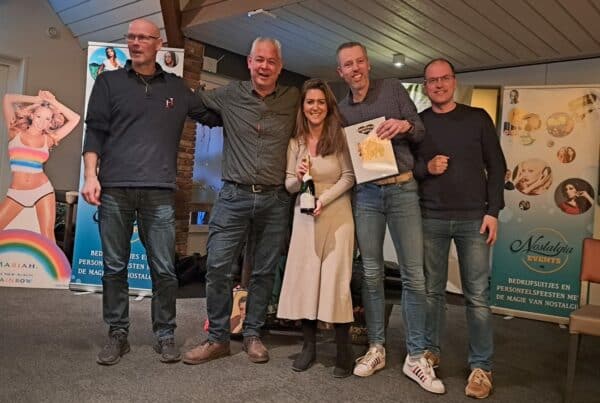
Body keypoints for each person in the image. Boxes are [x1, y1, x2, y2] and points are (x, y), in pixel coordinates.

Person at [81, 18, 221, 366]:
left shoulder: (177, 88)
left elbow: (214, 115)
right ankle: (118, 333)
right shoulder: (109, 82)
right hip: (115, 189)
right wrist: (89, 176)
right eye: (131, 37)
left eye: (144, 37)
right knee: (114, 267)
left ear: (158, 44)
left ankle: (165, 334)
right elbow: (94, 132)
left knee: (164, 269)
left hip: (159, 193)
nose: (136, 42)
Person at [335, 41, 444, 394]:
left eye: (360, 61)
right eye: (348, 65)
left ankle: (416, 355)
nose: (355, 69)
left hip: (402, 189)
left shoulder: (393, 89)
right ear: (341, 72)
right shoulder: (341, 110)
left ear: (368, 64)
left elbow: (420, 129)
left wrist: (404, 125)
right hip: (367, 194)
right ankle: (376, 347)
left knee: (414, 275)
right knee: (370, 273)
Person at [182, 37, 299, 365]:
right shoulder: (230, 94)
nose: (264, 66)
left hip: (275, 200)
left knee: (263, 271)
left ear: (280, 67)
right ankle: (218, 338)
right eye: (259, 60)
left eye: (271, 61)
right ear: (249, 62)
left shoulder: (292, 98)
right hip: (233, 195)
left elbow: (322, 116)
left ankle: (252, 334)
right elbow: (193, 102)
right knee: (217, 266)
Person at [415, 58, 507, 399]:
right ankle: (429, 352)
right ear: (425, 86)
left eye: (444, 78)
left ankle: (481, 367)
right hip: (431, 218)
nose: (438, 85)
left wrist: (493, 211)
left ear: (454, 81)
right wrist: (427, 167)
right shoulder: (420, 124)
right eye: (432, 80)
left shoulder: (477, 118)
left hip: (474, 219)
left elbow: (497, 166)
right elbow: (409, 168)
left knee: (478, 297)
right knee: (431, 292)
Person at [276, 78, 355, 377]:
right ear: (303, 106)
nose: (315, 107)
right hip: (305, 218)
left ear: (328, 106)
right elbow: (288, 185)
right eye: (310, 102)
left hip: (337, 216)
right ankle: (308, 347)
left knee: (336, 282)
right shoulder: (295, 142)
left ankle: (344, 350)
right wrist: (298, 178)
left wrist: (324, 199)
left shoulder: (340, 137)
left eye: (321, 102)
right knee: (306, 280)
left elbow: (349, 177)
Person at [1, 91, 80, 240]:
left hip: (42, 191)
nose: (42, 122)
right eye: (39, 116)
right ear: (32, 115)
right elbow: (8, 98)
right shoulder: (15, 131)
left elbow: (75, 118)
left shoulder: (49, 139)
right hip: (16, 193)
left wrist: (54, 102)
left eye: (47, 119)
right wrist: (37, 100)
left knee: (48, 236)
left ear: (51, 122)